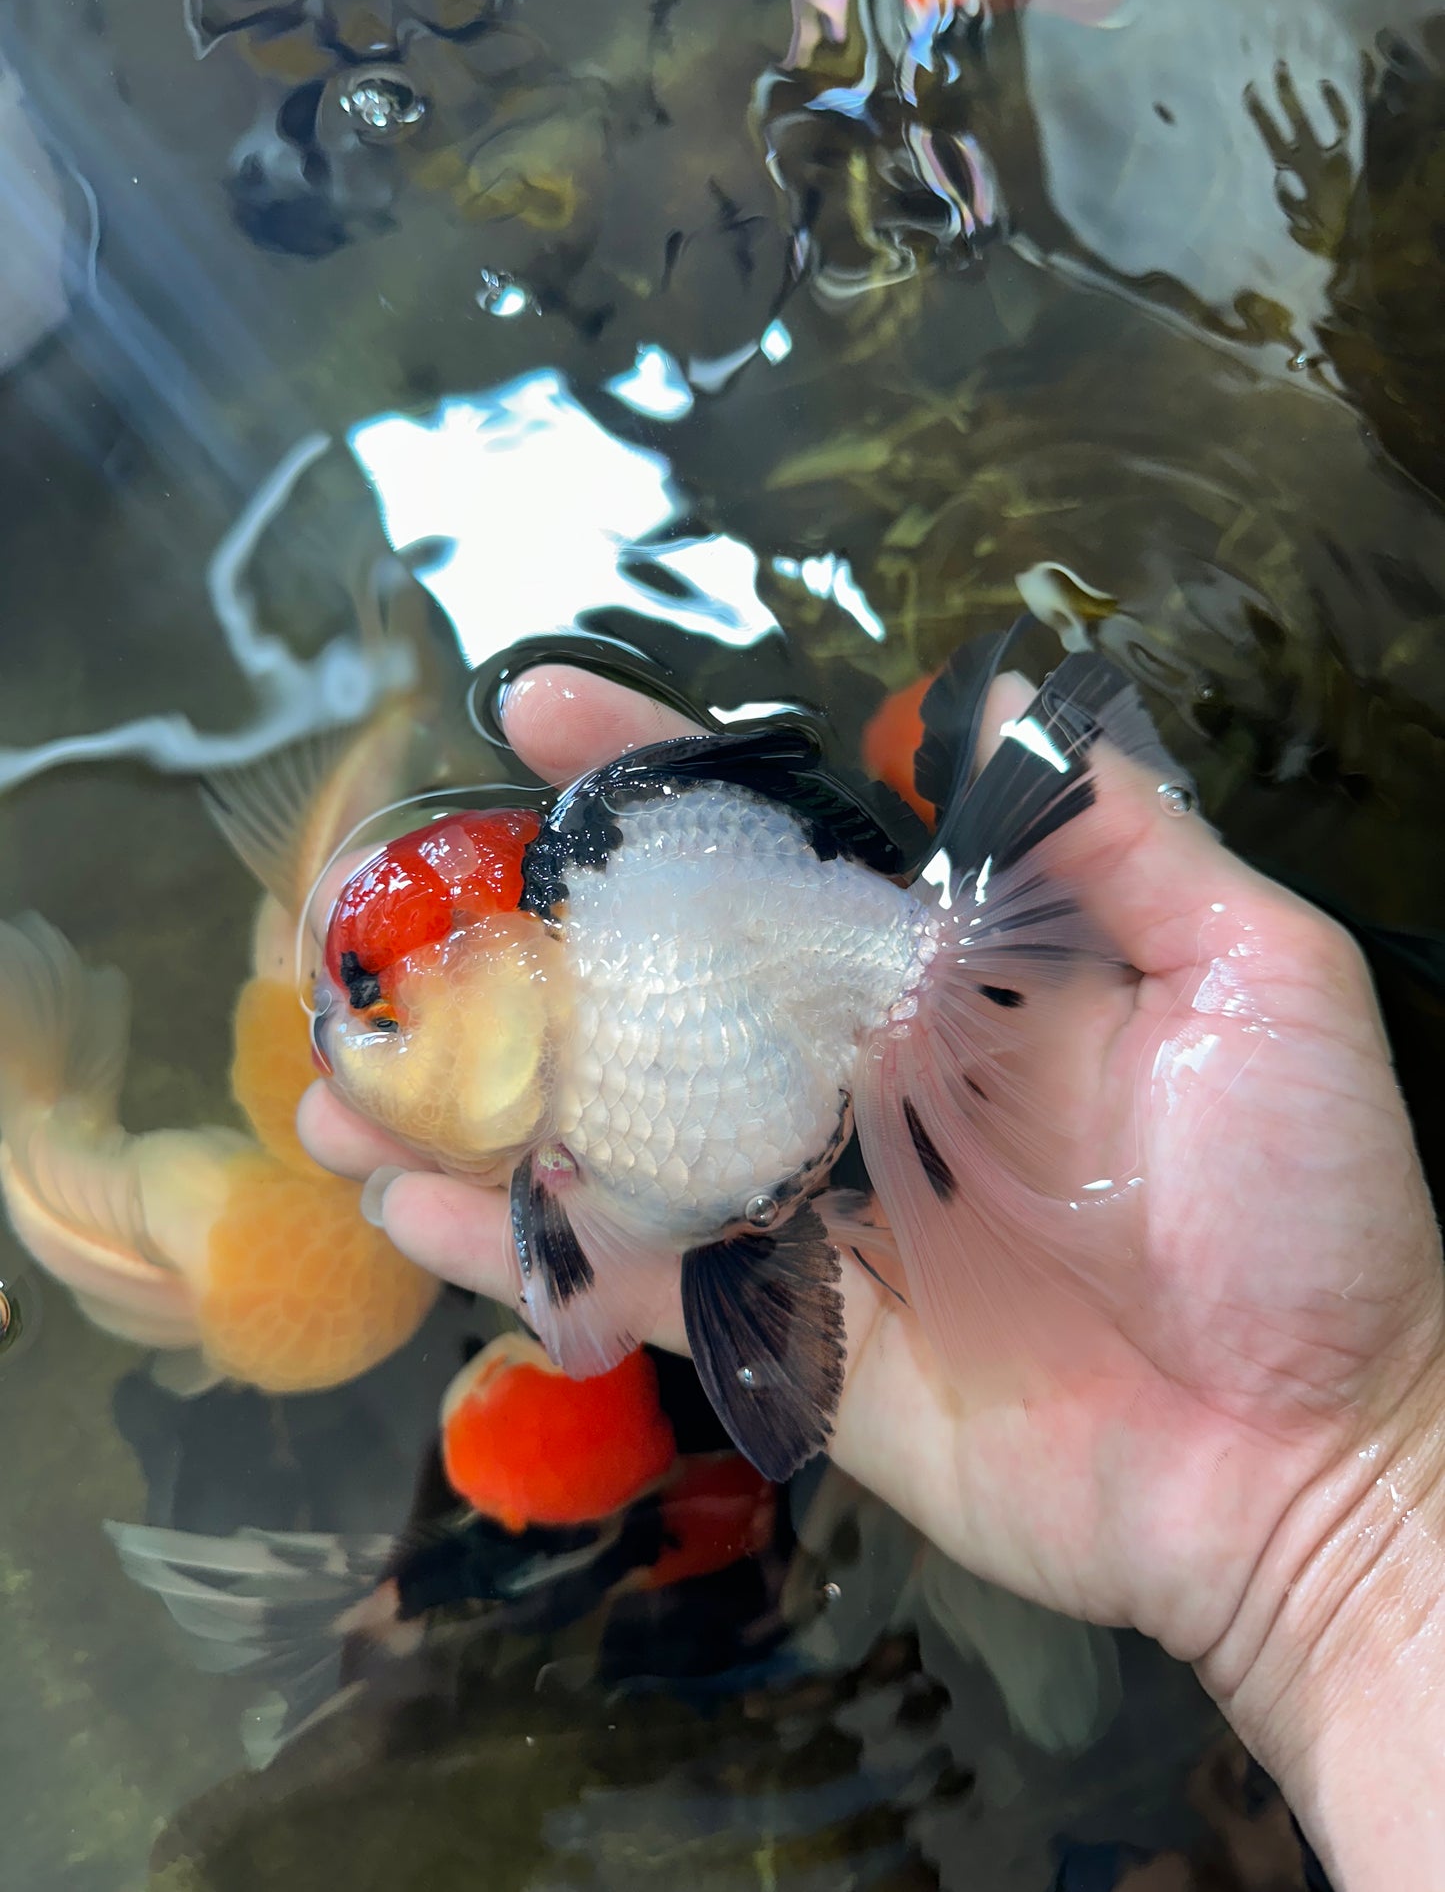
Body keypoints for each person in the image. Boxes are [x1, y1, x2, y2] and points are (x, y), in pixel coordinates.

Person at [299, 662, 1445, 1890]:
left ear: (502, 977)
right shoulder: (563, 1127)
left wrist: (1345, 1510)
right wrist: (1348, 1535)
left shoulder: (608, 934)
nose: (345, 1033)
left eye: (377, 1012)